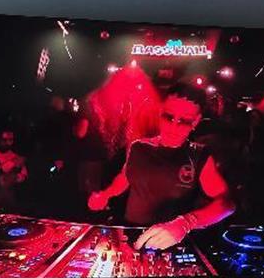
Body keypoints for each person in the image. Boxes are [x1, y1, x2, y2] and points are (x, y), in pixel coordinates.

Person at [86, 85, 235, 249]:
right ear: (160, 112)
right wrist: (106, 194)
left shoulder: (199, 155)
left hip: (169, 242)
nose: (174, 127)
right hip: (130, 233)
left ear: (196, 121)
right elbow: (125, 178)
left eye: (184, 121)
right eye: (169, 117)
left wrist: (186, 223)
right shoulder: (138, 146)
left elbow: (227, 204)